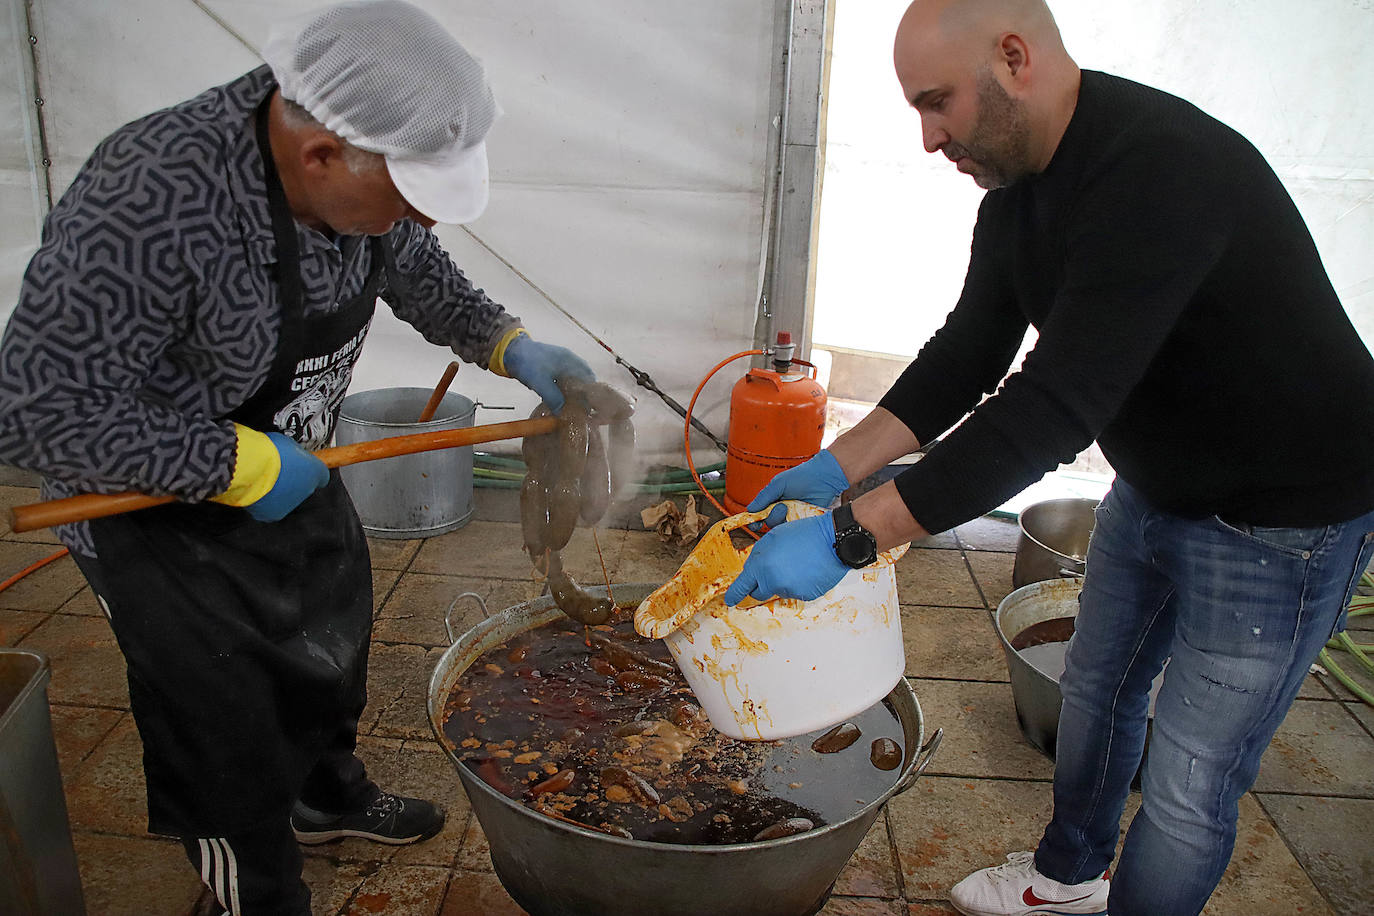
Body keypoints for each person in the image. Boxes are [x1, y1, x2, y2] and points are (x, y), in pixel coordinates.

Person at [723, 1, 1374, 914]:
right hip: (1157, 483)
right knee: (1096, 695)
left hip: (1286, 517)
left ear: (1016, 58)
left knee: (1188, 781)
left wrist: (848, 540)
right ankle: (1066, 884)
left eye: (936, 102)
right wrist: (840, 464)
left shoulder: (1161, 172)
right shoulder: (1021, 185)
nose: (925, 136)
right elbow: (969, 351)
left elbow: (1051, 409)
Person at [0, 2, 594, 913]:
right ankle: (253, 885)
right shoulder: (153, 197)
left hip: (288, 468)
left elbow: (417, 271)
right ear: (321, 155)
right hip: (150, 514)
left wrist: (509, 345)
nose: (414, 219)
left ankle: (323, 797)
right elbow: (33, 411)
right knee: (222, 722)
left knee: (330, 627)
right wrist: (231, 465)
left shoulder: (362, 173)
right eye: (405, 197)